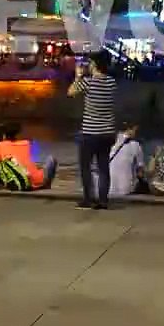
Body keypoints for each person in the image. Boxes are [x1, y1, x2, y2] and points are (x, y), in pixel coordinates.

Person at [68, 50, 117, 210]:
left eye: (89, 63)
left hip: (90, 132)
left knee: (86, 167)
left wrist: (78, 76)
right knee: (103, 167)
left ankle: (88, 199)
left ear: (94, 64)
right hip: (108, 132)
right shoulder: (111, 82)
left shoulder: (88, 82)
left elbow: (71, 92)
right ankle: (103, 200)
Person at [0, 122, 56, 191]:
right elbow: (27, 160)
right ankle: (46, 184)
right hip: (36, 178)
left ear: (5, 135)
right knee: (51, 160)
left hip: (21, 179)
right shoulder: (26, 143)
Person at [107, 123, 146, 197]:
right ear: (129, 130)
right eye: (135, 130)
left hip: (108, 186)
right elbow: (140, 170)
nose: (136, 133)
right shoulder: (136, 145)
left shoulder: (111, 142)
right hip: (125, 188)